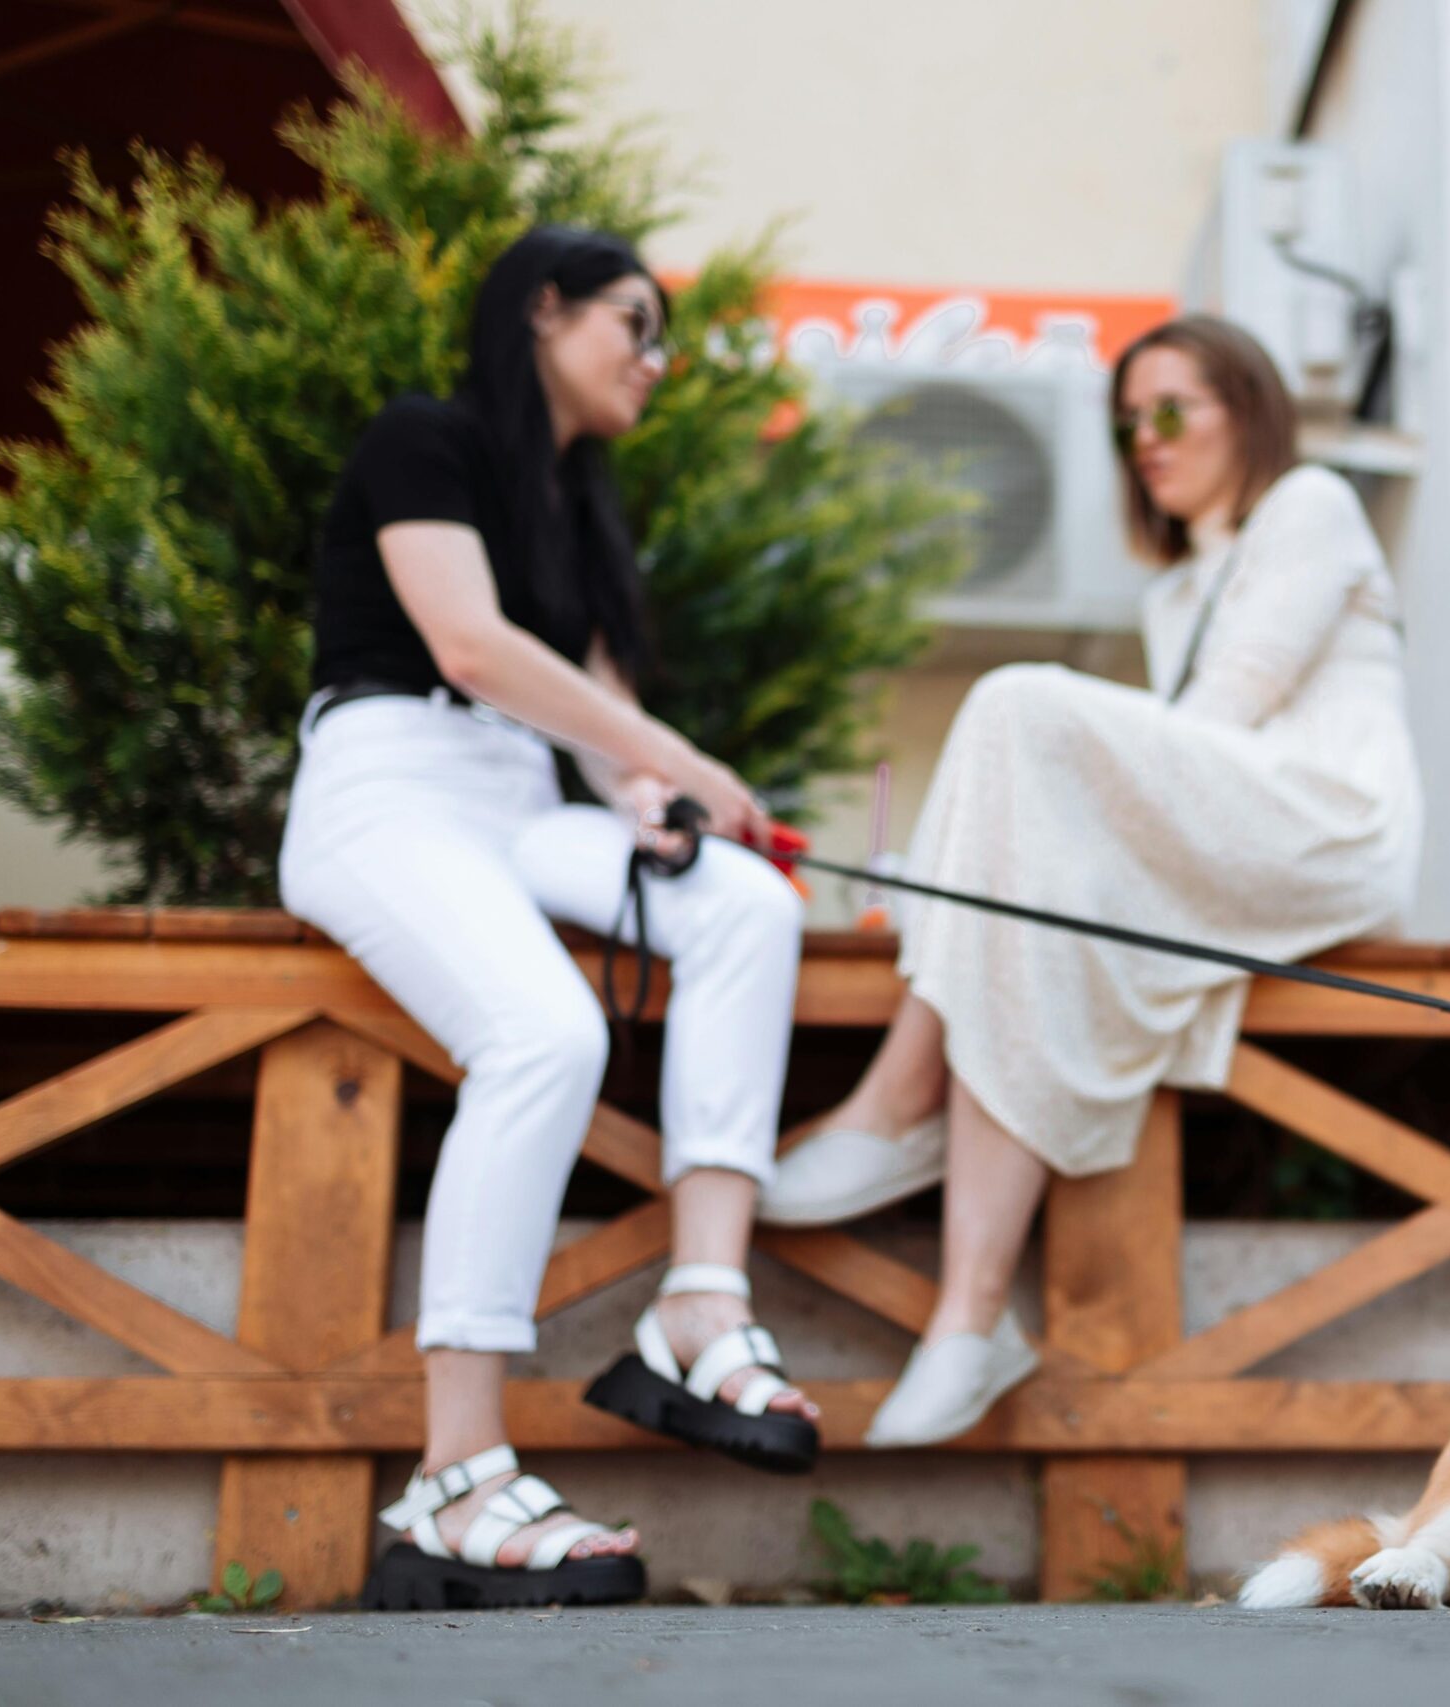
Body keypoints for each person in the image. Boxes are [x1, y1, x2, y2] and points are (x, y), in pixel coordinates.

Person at [760, 315, 1423, 1446]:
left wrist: (1090, 806)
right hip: (1231, 817)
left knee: (1021, 709)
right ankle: (969, 1326)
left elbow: (1222, 722)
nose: (1145, 441)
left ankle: (896, 1100)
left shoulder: (1310, 503)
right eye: (1128, 423)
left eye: (1171, 410)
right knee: (1032, 925)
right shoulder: (1174, 592)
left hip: (1325, 826)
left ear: (1247, 408)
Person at [279, 226, 819, 1610]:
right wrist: (688, 760)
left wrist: (653, 795)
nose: (655, 356)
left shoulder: (576, 503)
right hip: (390, 783)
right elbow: (467, 646)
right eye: (633, 324)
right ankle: (457, 1469)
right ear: (543, 311)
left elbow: (585, 732)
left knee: (747, 907)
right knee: (543, 1033)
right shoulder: (425, 440)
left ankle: (702, 1301)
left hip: (516, 797)